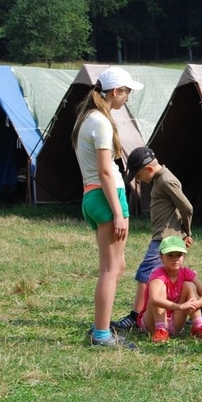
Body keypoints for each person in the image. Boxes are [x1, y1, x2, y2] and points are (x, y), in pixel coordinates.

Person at [72, 66, 144, 348]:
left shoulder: (87, 118)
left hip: (93, 196)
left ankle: (101, 324)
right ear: (115, 91)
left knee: (116, 265)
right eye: (126, 92)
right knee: (109, 269)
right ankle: (101, 333)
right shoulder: (101, 122)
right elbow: (104, 171)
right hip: (106, 195)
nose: (127, 98)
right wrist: (117, 212)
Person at [111, 146, 202, 331]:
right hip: (163, 236)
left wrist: (187, 232)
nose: (138, 179)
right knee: (174, 274)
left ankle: (135, 317)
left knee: (145, 273)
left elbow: (187, 208)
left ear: (149, 169)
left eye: (138, 175)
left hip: (164, 238)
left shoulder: (166, 180)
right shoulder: (159, 179)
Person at [138, 236, 202, 343]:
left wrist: (197, 304)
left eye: (179, 255)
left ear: (184, 256)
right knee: (161, 289)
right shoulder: (158, 274)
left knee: (189, 285)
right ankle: (160, 330)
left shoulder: (186, 272)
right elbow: (154, 299)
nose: (175, 259)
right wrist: (180, 306)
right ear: (161, 256)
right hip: (152, 323)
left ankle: (199, 327)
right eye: (170, 255)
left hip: (175, 322)